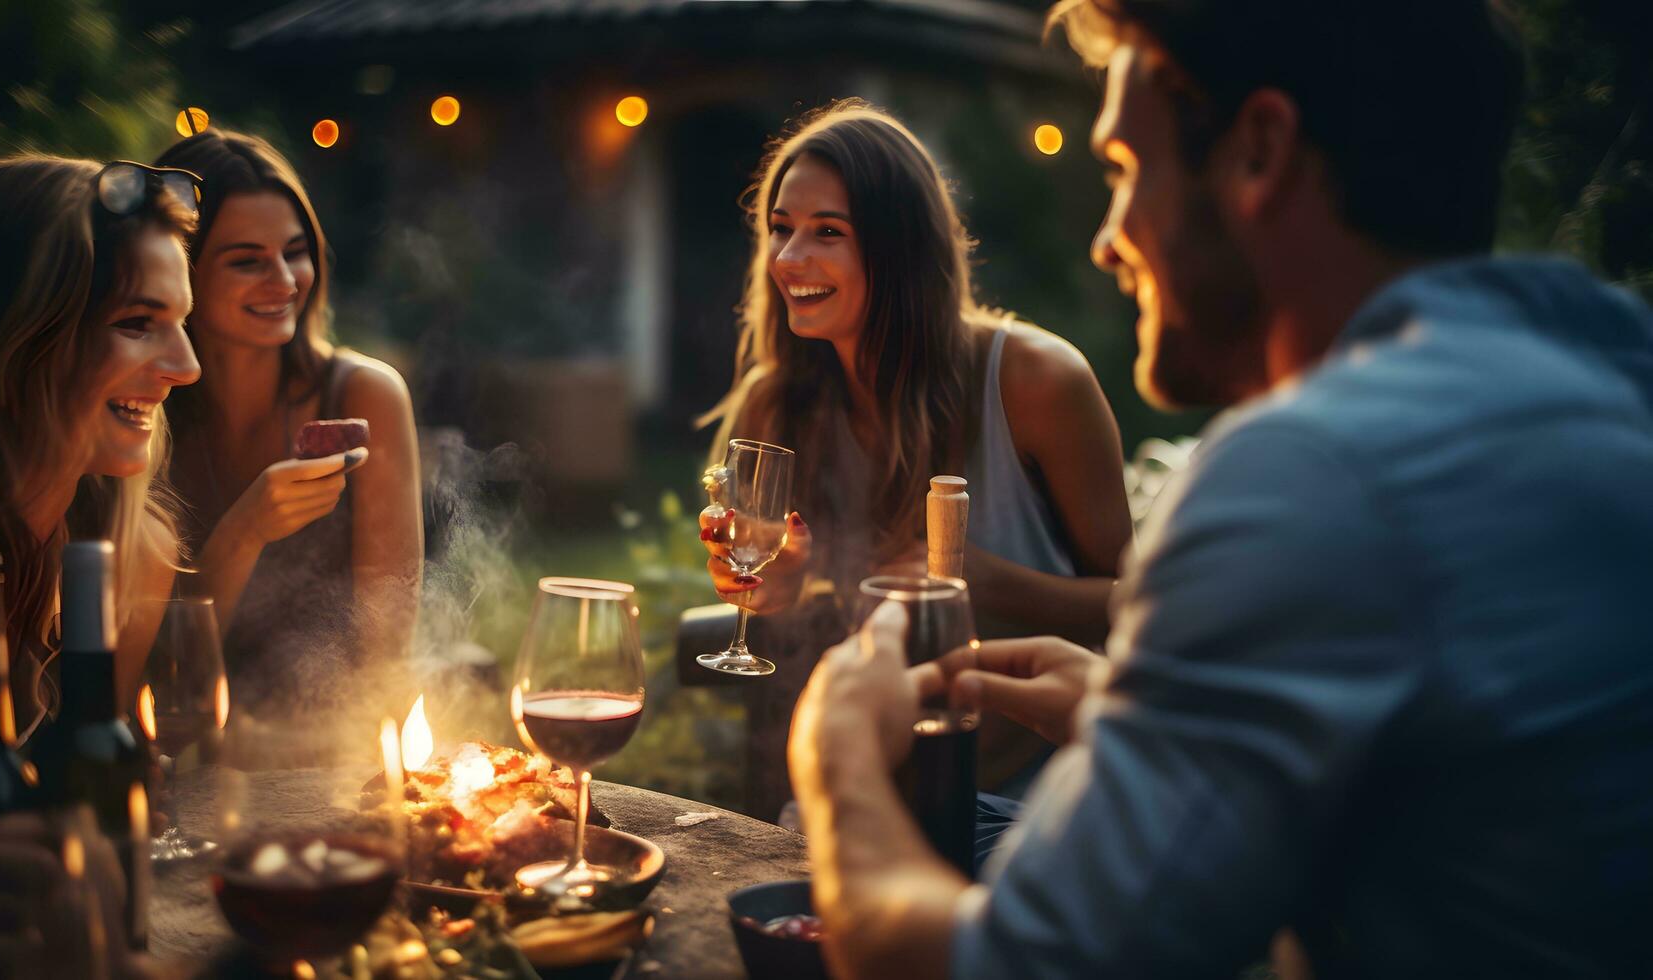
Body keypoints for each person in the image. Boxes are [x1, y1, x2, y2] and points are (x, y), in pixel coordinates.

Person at [788, 2, 1653, 978]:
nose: (1108, 239)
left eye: (1121, 169)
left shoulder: (1310, 470)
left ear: (1260, 150)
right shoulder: (1603, 373)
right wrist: (1131, 708)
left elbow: (1004, 968)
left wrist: (838, 754)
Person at [697, 101, 1132, 808]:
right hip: (867, 792)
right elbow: (796, 618)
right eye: (780, 229)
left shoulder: (1035, 382)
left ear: (900, 247)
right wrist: (775, 589)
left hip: (1040, 803)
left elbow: (1137, 614)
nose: (786, 259)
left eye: (826, 233)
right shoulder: (777, 404)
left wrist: (987, 585)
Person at [0, 155, 203, 975]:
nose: (186, 366)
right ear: (11, 338)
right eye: (137, 322)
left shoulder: (131, 558)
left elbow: (99, 816)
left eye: (182, 322)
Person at [153, 131, 421, 721]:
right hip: (179, 747)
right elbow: (157, 666)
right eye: (246, 260)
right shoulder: (142, 408)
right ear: (178, 269)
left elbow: (386, 653)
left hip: (326, 753)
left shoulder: (362, 396)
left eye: (295, 251)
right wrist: (245, 530)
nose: (285, 280)